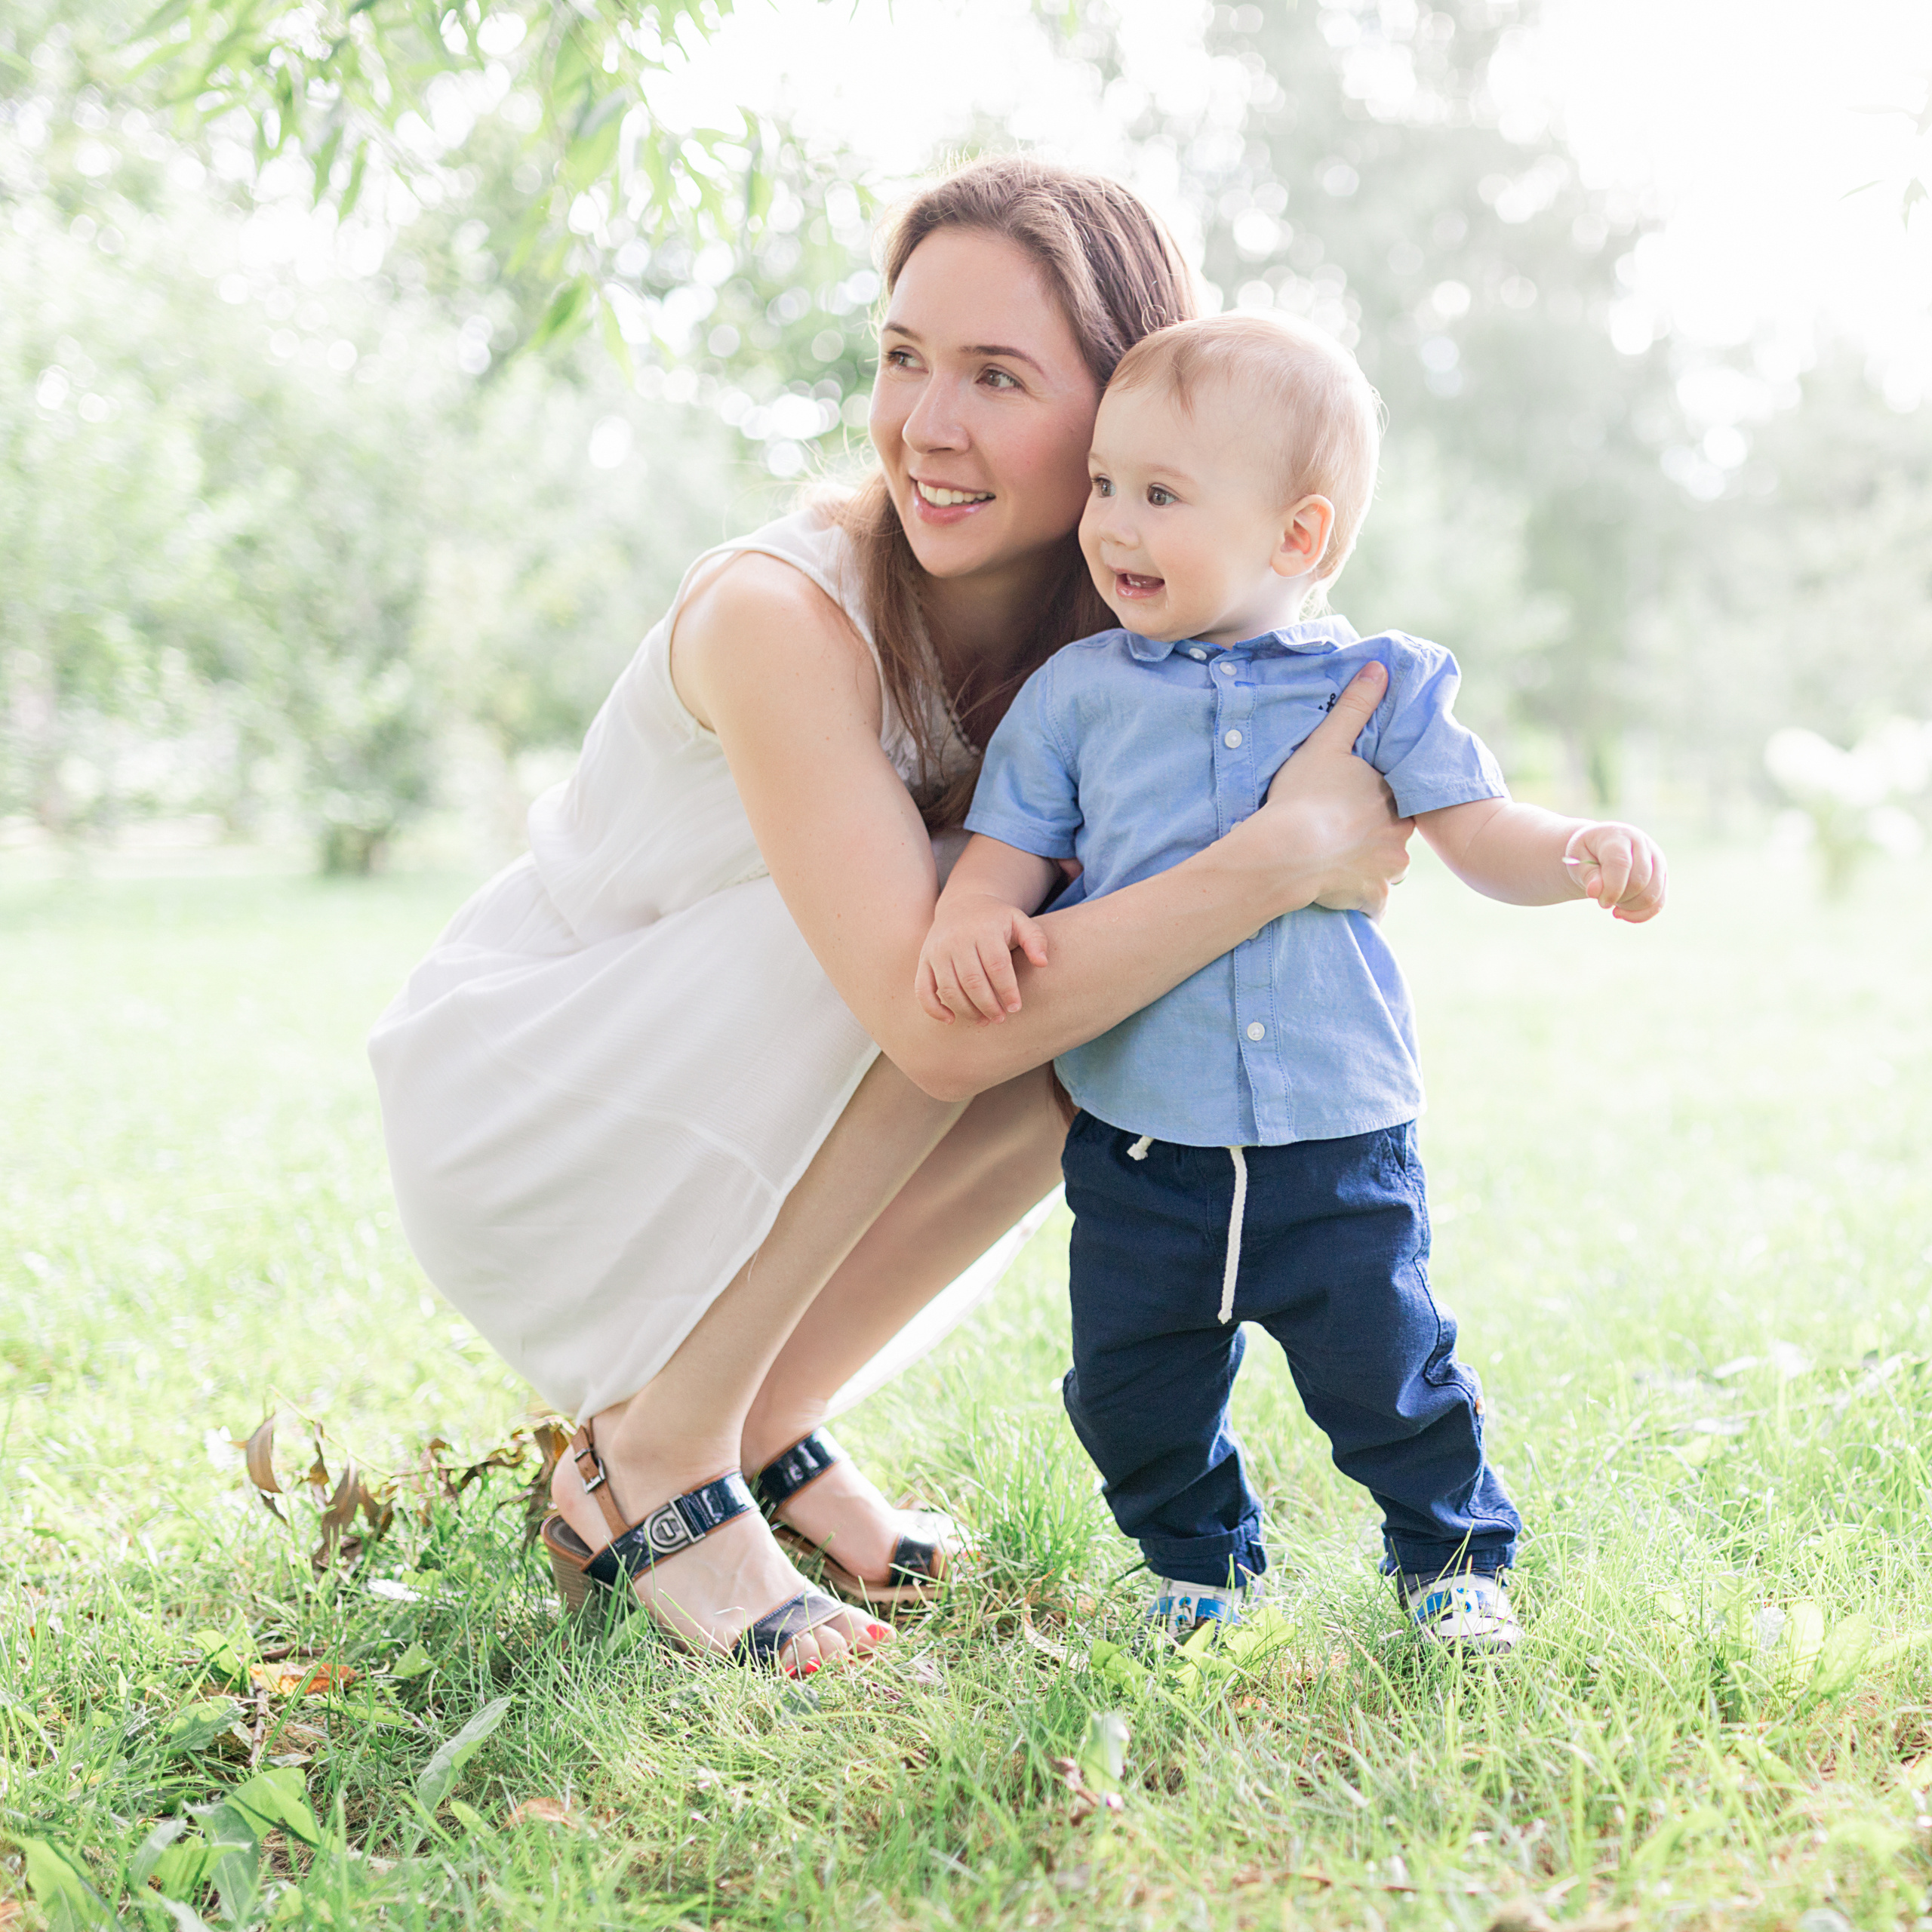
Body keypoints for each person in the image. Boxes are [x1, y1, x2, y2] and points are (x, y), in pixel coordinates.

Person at [368, 162, 1418, 1678]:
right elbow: (936, 1029)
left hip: (714, 1069)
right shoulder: (777, 612)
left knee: (1116, 979)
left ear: (1124, 408)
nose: (926, 422)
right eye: (904, 356)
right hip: (536, 1086)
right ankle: (656, 1451)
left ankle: (762, 1412)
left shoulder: (1123, 658)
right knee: (969, 942)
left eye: (996, 375)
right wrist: (1281, 853)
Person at [917, 312, 1669, 1651]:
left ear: (1298, 535)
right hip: (1145, 1143)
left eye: (1161, 495)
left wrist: (1572, 854)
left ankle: (1450, 1561)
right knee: (1130, 1385)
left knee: (1391, 1371)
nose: (1113, 523)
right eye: (1104, 485)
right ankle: (1196, 1562)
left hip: (1337, 1132)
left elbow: (1478, 832)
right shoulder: (1079, 695)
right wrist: (974, 914)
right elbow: (1011, 849)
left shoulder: (1383, 686)